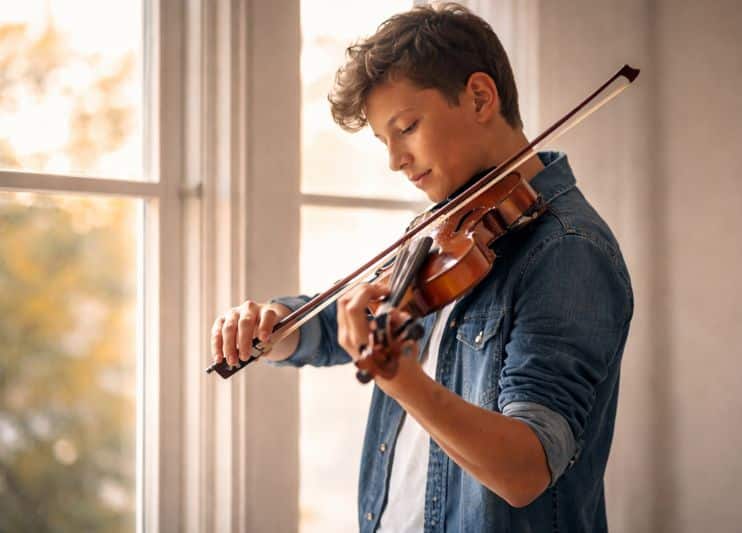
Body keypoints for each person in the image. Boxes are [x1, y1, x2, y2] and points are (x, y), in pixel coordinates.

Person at [209, 3, 633, 532]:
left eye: (406, 127)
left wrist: (401, 379)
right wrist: (275, 324)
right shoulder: (448, 230)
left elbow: (526, 469)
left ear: (480, 97)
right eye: (384, 142)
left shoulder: (569, 253)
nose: (395, 160)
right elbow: (353, 315)